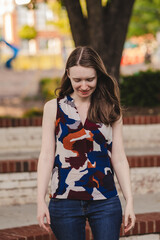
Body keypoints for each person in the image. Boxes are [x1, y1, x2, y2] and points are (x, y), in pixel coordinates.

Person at [37, 46, 136, 240]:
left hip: (105, 201)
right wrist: (39, 199)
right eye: (77, 80)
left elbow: (119, 157)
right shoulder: (53, 108)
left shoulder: (111, 109)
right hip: (64, 201)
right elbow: (47, 156)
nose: (84, 86)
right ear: (68, 75)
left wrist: (130, 200)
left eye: (90, 79)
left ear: (98, 75)